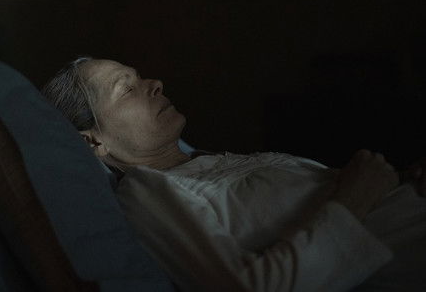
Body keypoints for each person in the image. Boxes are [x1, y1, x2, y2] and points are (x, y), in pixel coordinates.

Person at [42, 57, 426, 292]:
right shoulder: (149, 191)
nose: (154, 84)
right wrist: (354, 199)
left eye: (139, 77)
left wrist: (401, 184)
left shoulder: (209, 164)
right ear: (93, 142)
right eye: (126, 89)